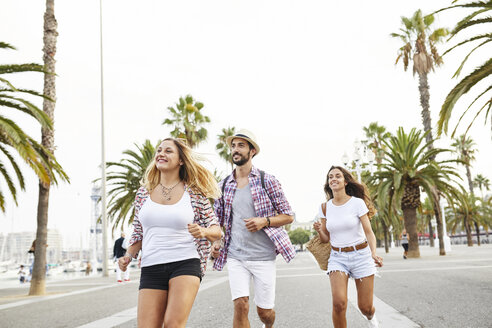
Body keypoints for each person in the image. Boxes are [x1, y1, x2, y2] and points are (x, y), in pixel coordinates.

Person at [118, 137, 222, 328]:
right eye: (159, 150)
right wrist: (127, 256)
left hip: (185, 263)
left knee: (173, 324)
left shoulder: (194, 193)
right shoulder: (143, 194)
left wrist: (203, 231)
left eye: (168, 151)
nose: (161, 154)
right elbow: (138, 232)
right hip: (151, 265)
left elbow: (217, 231)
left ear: (181, 160)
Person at [211, 129, 295, 328]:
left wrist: (264, 221)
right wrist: (216, 241)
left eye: (241, 145)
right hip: (235, 255)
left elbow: (289, 216)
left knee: (265, 312)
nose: (235, 150)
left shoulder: (268, 181)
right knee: (240, 305)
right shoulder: (223, 185)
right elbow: (216, 219)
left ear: (252, 151)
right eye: (233, 146)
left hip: (263, 256)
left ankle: (269, 325)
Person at [313, 166, 383, 328]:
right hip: (338, 258)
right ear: (328, 183)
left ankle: (371, 315)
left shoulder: (357, 203)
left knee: (365, 307)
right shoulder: (324, 207)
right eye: (330, 177)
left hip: (361, 256)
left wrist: (373, 253)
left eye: (338, 176)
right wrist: (319, 231)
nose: (333, 179)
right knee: (339, 303)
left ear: (345, 181)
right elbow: (325, 239)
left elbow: (369, 232)